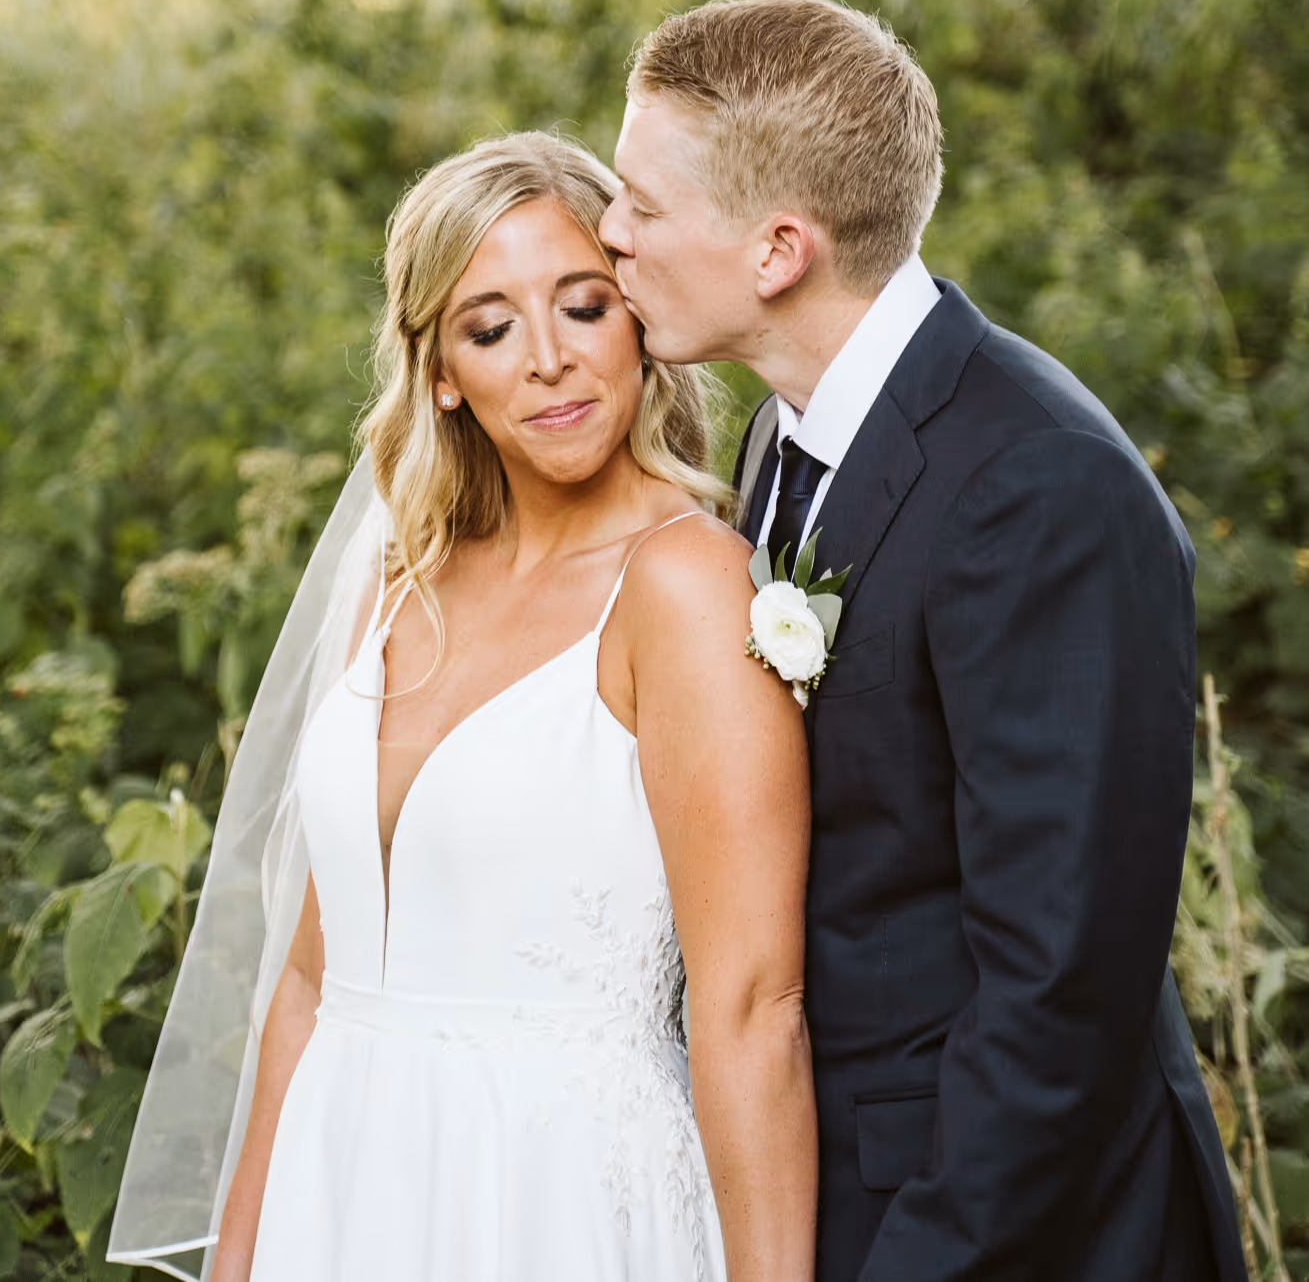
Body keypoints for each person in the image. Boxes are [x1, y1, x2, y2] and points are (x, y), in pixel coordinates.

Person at [599, 0, 1248, 1282]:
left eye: (644, 205)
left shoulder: (1043, 489)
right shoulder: (787, 431)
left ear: (779, 249)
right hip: (829, 1183)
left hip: (1001, 1226)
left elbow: (1057, 995)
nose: (610, 234)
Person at [108, 133, 818, 1282]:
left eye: (583, 307)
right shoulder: (396, 581)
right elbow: (305, 980)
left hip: (559, 1199)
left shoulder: (685, 586)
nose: (546, 360)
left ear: (636, 317)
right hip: (338, 1192)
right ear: (441, 369)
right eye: (490, 328)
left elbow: (752, 1009)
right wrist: (239, 1262)